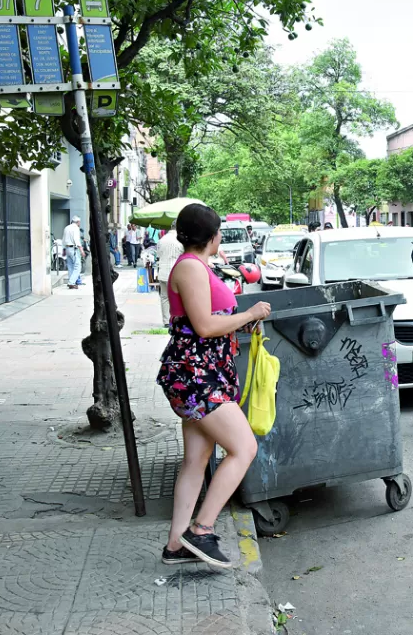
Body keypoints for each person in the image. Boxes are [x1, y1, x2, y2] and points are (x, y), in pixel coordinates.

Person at [159, 204, 271, 567]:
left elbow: (209, 322)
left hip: (204, 372)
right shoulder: (190, 267)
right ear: (212, 235)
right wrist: (250, 314)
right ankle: (202, 530)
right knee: (244, 448)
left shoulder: (200, 266)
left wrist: (239, 324)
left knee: (196, 460)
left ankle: (176, 546)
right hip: (196, 377)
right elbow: (204, 326)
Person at [155, 227, 183, 324]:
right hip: (175, 272)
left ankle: (166, 321)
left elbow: (158, 256)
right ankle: (176, 318)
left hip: (163, 272)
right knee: (178, 297)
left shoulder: (161, 240)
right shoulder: (180, 240)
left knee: (164, 297)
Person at [63, 215, 85, 289]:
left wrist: (64, 249)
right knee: (77, 266)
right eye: (79, 222)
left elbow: (64, 239)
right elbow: (77, 240)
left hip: (67, 248)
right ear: (78, 222)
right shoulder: (75, 228)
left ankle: (71, 281)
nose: (80, 224)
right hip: (73, 249)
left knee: (70, 266)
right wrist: (81, 250)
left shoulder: (67, 227)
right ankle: (71, 282)